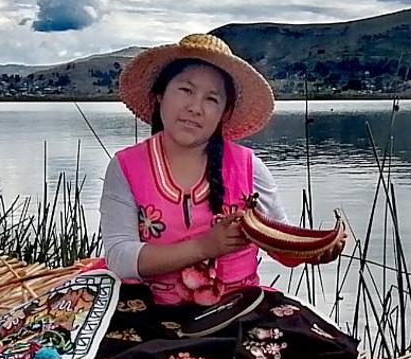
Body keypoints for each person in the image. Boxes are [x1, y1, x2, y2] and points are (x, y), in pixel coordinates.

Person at [101, 33, 340, 306]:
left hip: (240, 309)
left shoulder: (249, 168)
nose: (195, 108)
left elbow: (281, 246)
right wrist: (205, 247)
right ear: (159, 96)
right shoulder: (126, 167)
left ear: (224, 113)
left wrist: (315, 248)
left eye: (211, 99)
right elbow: (120, 258)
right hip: (153, 313)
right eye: (186, 90)